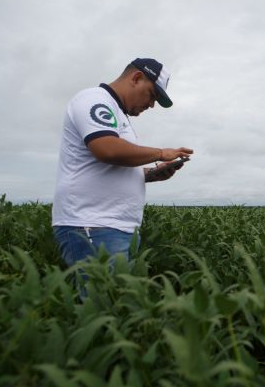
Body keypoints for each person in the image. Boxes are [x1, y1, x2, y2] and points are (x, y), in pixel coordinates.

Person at [52, 57, 193, 269]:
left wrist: (149, 174)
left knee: (115, 298)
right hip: (93, 224)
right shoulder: (94, 99)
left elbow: (112, 165)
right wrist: (161, 153)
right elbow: (107, 148)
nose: (152, 105)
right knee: (102, 300)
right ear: (136, 78)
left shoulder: (117, 113)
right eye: (152, 95)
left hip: (113, 227)